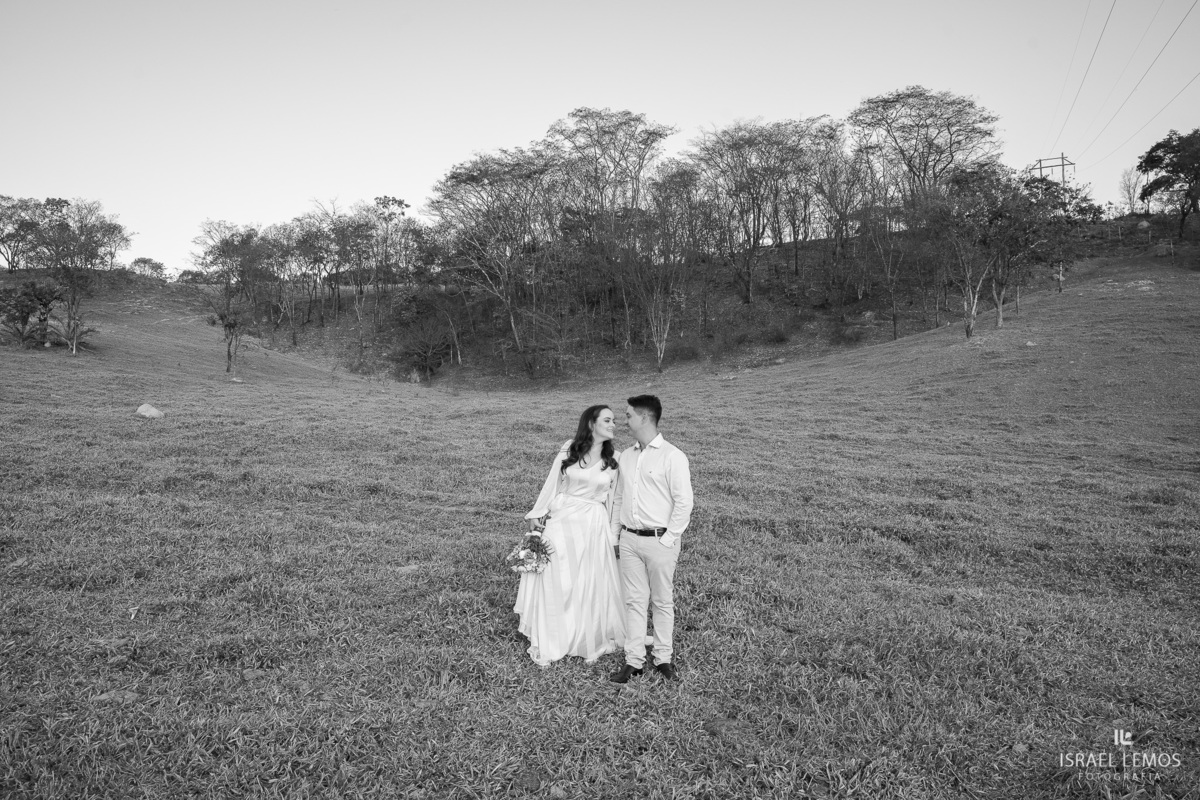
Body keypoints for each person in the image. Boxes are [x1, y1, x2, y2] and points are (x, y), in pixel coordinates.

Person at [513, 405, 626, 667]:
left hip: (592, 524)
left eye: (615, 421)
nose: (613, 425)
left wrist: (612, 536)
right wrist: (537, 513)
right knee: (556, 575)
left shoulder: (616, 459)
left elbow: (615, 502)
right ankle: (554, 636)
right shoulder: (569, 448)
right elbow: (552, 483)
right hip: (561, 519)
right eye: (607, 420)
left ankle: (583, 634)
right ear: (591, 424)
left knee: (586, 579)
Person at [608, 395, 693, 683]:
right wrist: (616, 535)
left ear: (645, 418)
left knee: (662, 601)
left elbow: (684, 503)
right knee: (634, 601)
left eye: (629, 415)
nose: (624, 420)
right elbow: (619, 497)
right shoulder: (627, 455)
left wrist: (668, 539)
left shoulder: (673, 456)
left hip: (660, 540)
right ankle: (633, 661)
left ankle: (663, 659)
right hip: (630, 540)